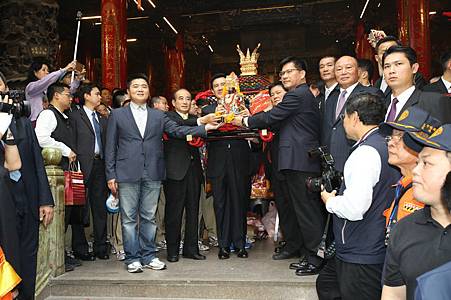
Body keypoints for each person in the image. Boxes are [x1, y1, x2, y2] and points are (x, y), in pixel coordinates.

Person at [105, 74, 217, 273]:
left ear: (149, 92)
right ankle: (132, 257)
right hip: (127, 171)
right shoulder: (117, 115)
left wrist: (204, 127)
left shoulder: (158, 115)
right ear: (129, 91)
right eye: (136, 86)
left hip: (153, 171)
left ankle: (148, 255)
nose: (140, 89)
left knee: (149, 217)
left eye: (144, 86)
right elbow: (110, 146)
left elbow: (177, 130)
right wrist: (110, 174)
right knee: (129, 218)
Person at [235, 56, 326, 275]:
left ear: (302, 74)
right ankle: (305, 251)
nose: (284, 76)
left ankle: (315, 258)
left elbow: (273, 116)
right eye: (282, 73)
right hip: (296, 161)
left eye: (289, 72)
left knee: (307, 211)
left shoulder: (298, 95)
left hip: (300, 161)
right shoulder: (300, 96)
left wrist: (245, 121)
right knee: (299, 210)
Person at [317, 93, 400, 300]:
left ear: (354, 117)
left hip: (361, 250)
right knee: (327, 284)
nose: (344, 123)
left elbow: (355, 208)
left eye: (344, 117)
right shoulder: (385, 144)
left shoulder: (365, 153)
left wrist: (330, 201)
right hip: (371, 243)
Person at [381, 124, 451, 300]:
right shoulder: (404, 229)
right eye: (418, 162)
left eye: (426, 163)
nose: (416, 170)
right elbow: (394, 294)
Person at [1, 71, 54, 299]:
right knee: (9, 256)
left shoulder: (20, 120)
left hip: (28, 196)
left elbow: (36, 160)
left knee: (28, 256)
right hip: (4, 200)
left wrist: (45, 199)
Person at [35, 82, 87, 271]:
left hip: (68, 171)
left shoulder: (66, 117)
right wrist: (65, 150)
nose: (70, 97)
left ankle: (63, 253)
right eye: (67, 94)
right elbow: (41, 137)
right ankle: (55, 256)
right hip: (55, 173)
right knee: (59, 215)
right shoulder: (48, 114)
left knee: (68, 215)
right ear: (56, 95)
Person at [202, 73, 251, 260]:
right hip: (218, 159)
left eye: (224, 84)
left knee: (239, 201)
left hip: (239, 158)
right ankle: (223, 245)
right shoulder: (208, 110)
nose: (221, 87)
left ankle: (240, 244)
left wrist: (248, 117)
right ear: (213, 90)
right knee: (220, 203)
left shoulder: (242, 105)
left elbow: (253, 134)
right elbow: (201, 133)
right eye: (217, 85)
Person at [379, 107, 441, 243]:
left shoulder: (428, 194)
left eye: (401, 137)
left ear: (423, 145)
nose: (390, 143)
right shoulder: (403, 184)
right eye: (391, 136)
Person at [163, 88, 207, 262]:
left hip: (193, 171)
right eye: (180, 98)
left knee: (193, 211)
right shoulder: (168, 118)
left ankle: (191, 248)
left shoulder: (194, 120)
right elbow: (180, 129)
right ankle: (172, 250)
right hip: (175, 171)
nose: (184, 102)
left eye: (188, 99)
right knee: (174, 212)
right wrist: (201, 123)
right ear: (173, 103)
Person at [321, 55, 383, 173]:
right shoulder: (331, 97)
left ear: (358, 71)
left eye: (348, 67)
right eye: (339, 69)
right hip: (330, 164)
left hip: (357, 159)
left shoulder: (371, 94)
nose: (343, 72)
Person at [71, 83, 109, 260]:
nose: (99, 97)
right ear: (86, 96)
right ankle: (80, 248)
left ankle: (101, 247)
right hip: (81, 166)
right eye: (96, 93)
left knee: (100, 208)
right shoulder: (75, 116)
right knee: (80, 207)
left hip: (100, 165)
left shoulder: (102, 118)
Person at [382, 46, 451, 124]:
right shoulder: (381, 104)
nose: (391, 71)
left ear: (414, 68)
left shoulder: (434, 101)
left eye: (398, 64)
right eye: (387, 66)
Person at [25, 58, 79, 124]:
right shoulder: (31, 87)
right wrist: (64, 69)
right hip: (36, 121)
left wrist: (78, 78)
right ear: (35, 72)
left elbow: (68, 91)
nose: (47, 72)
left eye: (48, 70)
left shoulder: (48, 88)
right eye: (43, 70)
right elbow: (46, 81)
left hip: (50, 120)